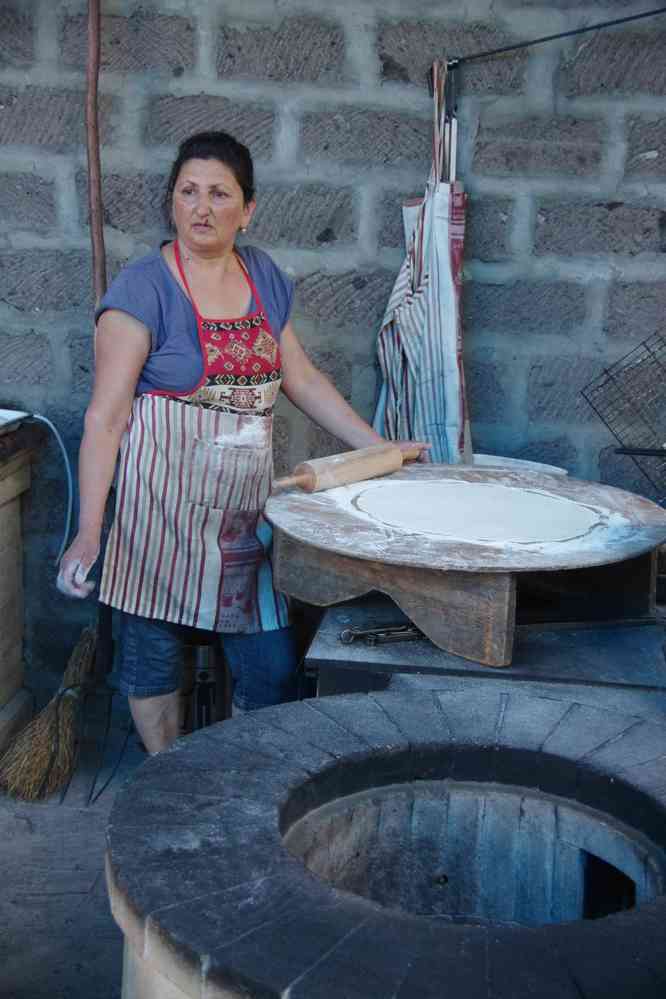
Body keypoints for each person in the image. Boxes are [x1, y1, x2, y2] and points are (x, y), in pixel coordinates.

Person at [56, 130, 426, 754]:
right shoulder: (142, 290)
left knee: (270, 667)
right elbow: (105, 419)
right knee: (152, 663)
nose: (201, 208)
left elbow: (301, 378)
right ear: (172, 202)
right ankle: (170, 778)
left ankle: (233, 775)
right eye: (188, 192)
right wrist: (92, 532)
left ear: (248, 209)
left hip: (243, 517)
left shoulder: (263, 277)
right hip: (159, 518)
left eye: (219, 194)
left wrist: (380, 447)